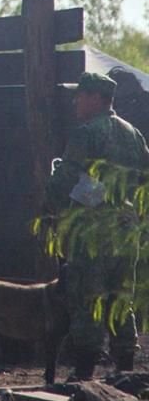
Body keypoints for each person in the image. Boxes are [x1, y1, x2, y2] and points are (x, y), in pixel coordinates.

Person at [46, 72, 149, 380]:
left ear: (96, 98)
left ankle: (84, 370)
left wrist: (53, 201)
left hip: (90, 228)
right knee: (120, 295)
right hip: (126, 226)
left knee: (86, 295)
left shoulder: (86, 133)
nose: (76, 101)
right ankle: (126, 367)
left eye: (81, 95)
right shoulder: (133, 134)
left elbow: (65, 178)